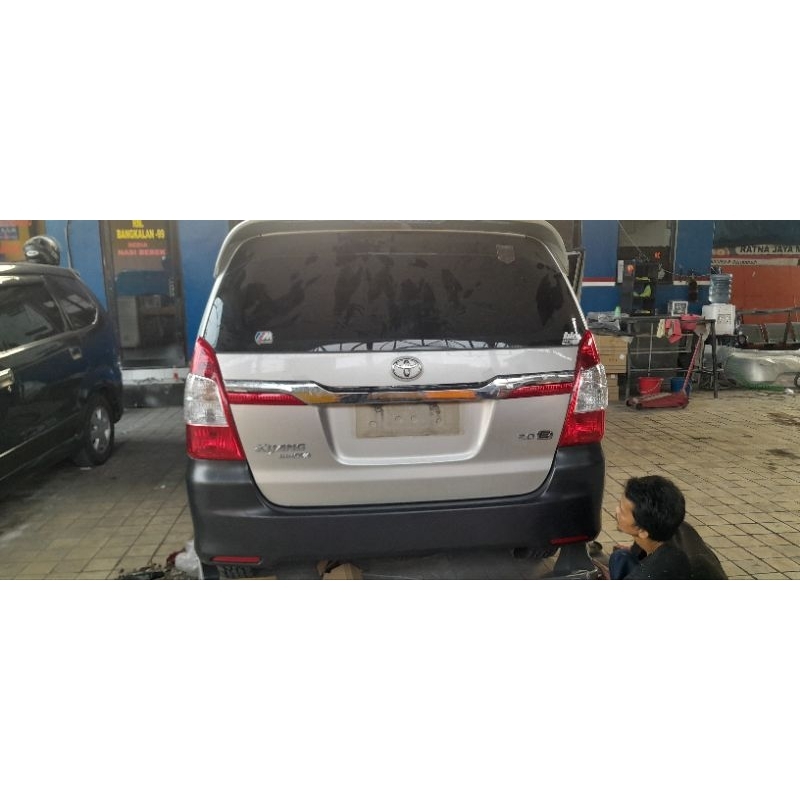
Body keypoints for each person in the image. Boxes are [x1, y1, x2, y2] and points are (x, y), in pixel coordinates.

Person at [609, 475, 693, 579]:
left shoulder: (643, 577)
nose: (617, 510)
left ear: (643, 531)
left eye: (622, 511)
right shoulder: (668, 525)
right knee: (620, 557)